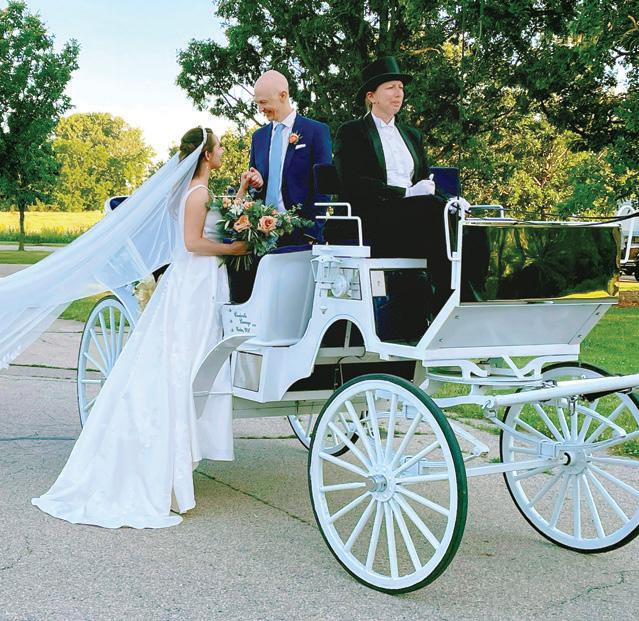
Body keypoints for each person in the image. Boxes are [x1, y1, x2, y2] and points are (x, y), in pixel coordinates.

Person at [30, 128, 248, 529]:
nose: (222, 152)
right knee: (180, 367)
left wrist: (243, 191)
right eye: (218, 147)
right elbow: (193, 243)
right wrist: (232, 249)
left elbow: (213, 223)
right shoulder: (197, 193)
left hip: (203, 282)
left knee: (185, 365)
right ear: (205, 154)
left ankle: (174, 459)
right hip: (195, 283)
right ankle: (160, 463)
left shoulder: (200, 190)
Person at [333, 56, 452, 319]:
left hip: (416, 215)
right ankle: (444, 303)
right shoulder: (352, 132)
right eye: (390, 88)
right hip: (375, 217)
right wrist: (406, 193)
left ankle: (468, 298)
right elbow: (354, 183)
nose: (398, 93)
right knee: (434, 212)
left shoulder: (412, 135)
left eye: (401, 87)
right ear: (371, 96)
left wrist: (451, 201)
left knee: (461, 220)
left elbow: (425, 180)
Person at [229, 71, 332, 302]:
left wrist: (312, 231)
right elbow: (256, 188)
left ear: (283, 95)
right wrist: (256, 183)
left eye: (264, 102)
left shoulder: (316, 131)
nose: (260, 109)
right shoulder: (258, 137)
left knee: (295, 301)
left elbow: (323, 187)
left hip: (300, 234)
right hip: (262, 234)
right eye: (257, 103)